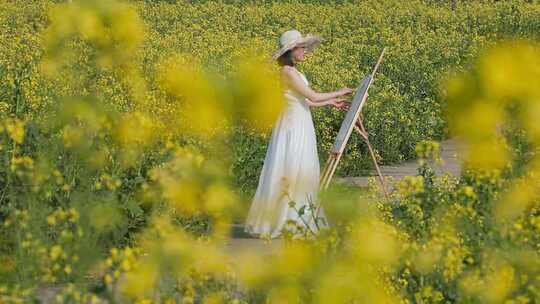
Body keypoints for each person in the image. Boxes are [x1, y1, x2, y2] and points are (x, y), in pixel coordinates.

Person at [244, 29, 353, 239]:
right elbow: (312, 94)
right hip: (293, 127)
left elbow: (305, 100)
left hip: (300, 123)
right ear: (290, 50)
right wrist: (339, 91)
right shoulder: (287, 72)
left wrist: (330, 102)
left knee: (302, 169)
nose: (305, 51)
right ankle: (287, 221)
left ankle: (295, 219)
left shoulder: (293, 71)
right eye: (302, 48)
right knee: (292, 170)